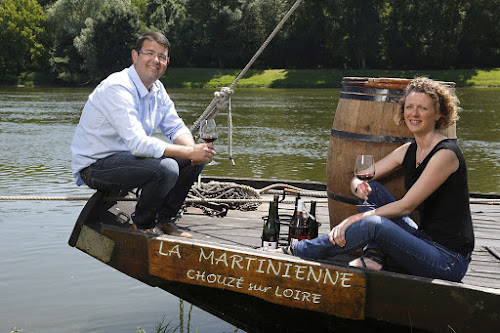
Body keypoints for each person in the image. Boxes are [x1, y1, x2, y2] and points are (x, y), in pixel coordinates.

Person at [273, 77, 474, 282]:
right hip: (424, 241)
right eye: (409, 107)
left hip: (448, 260)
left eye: (422, 108)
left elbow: (406, 206)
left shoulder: (445, 154)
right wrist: (358, 185)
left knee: (373, 224)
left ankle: (299, 250)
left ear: (439, 113)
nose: (414, 113)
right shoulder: (408, 150)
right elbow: (362, 177)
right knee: (372, 189)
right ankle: (373, 255)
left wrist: (355, 219)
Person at [71, 32, 216, 238]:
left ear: (167, 62)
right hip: (96, 166)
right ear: (135, 56)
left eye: (162, 56)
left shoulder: (157, 90)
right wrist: (189, 151)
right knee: (167, 168)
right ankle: (142, 225)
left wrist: (193, 152)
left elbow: (175, 128)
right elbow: (139, 144)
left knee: (193, 160)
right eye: (149, 53)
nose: (156, 60)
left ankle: (165, 219)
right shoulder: (118, 87)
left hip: (129, 161)